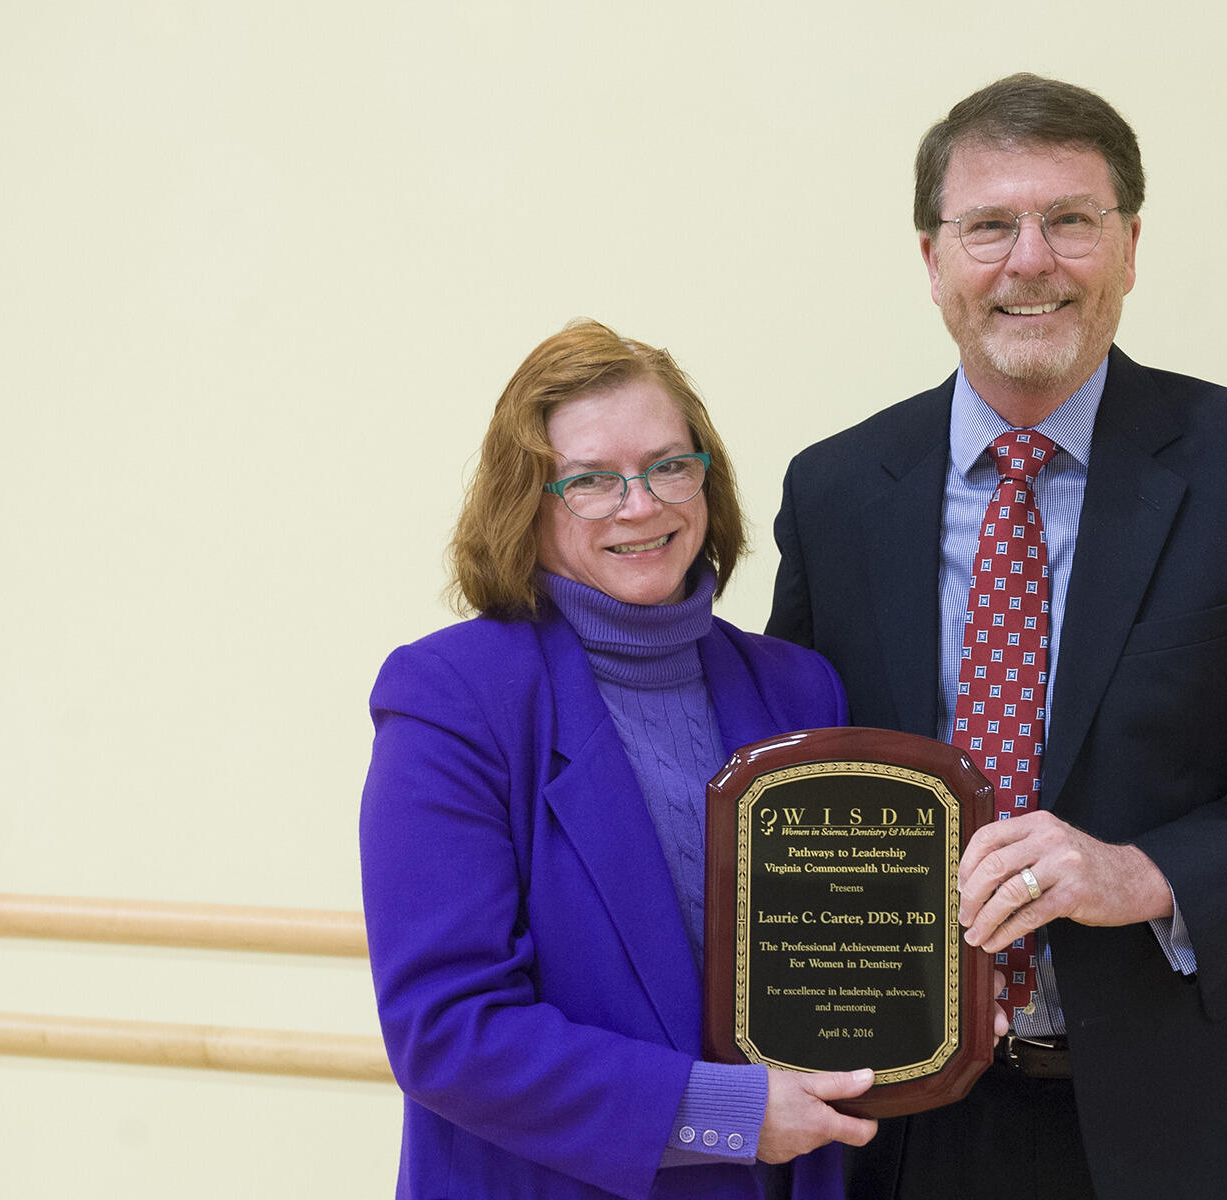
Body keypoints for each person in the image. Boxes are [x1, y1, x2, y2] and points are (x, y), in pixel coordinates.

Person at [767, 74, 1227, 1199]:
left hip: (1196, 1115)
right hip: (910, 1124)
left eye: (1070, 220)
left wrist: (1144, 872)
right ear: (932, 260)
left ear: (1127, 248)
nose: (1031, 260)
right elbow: (799, 778)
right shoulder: (835, 492)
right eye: (989, 226)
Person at [360, 319, 881, 1200]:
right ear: (527, 502)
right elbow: (446, 1030)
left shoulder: (800, 690)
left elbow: (837, 959)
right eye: (592, 481)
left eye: (669, 465)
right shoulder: (452, 696)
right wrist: (727, 1113)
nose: (641, 505)